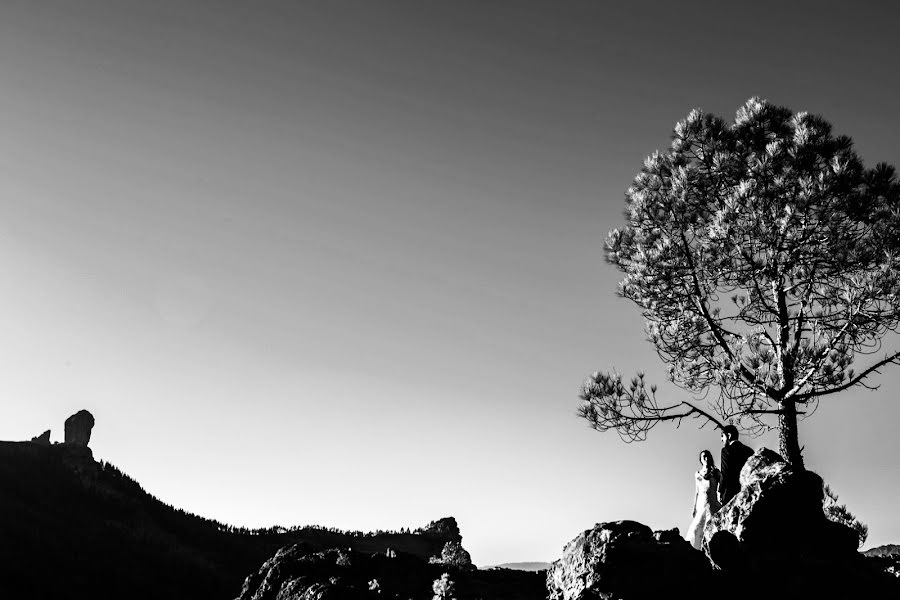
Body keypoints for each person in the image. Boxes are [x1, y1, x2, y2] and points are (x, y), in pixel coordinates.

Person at [686, 449, 722, 550]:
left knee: (712, 527)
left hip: (712, 503)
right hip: (701, 504)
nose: (706, 458)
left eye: (707, 456)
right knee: (696, 530)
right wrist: (694, 508)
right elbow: (696, 492)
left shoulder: (716, 472)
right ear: (701, 460)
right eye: (703, 457)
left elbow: (722, 487)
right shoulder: (697, 474)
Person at [718, 425, 753, 505]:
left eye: (722, 436)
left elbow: (725, 472)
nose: (721, 439)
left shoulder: (726, 450)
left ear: (729, 436)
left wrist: (720, 491)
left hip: (730, 493)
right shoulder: (749, 451)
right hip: (746, 491)